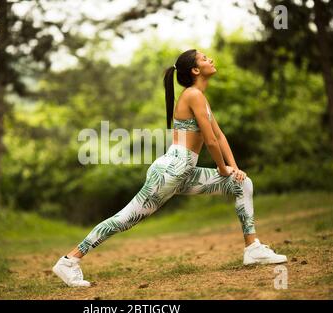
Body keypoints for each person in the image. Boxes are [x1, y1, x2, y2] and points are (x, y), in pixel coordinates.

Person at [52, 49, 287, 287]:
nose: (211, 60)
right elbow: (210, 141)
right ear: (196, 70)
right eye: (205, 59)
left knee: (242, 183)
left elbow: (220, 135)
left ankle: (253, 248)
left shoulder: (199, 97)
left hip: (183, 172)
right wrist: (223, 169)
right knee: (124, 219)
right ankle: (69, 260)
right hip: (169, 172)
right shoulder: (193, 95)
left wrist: (234, 168)